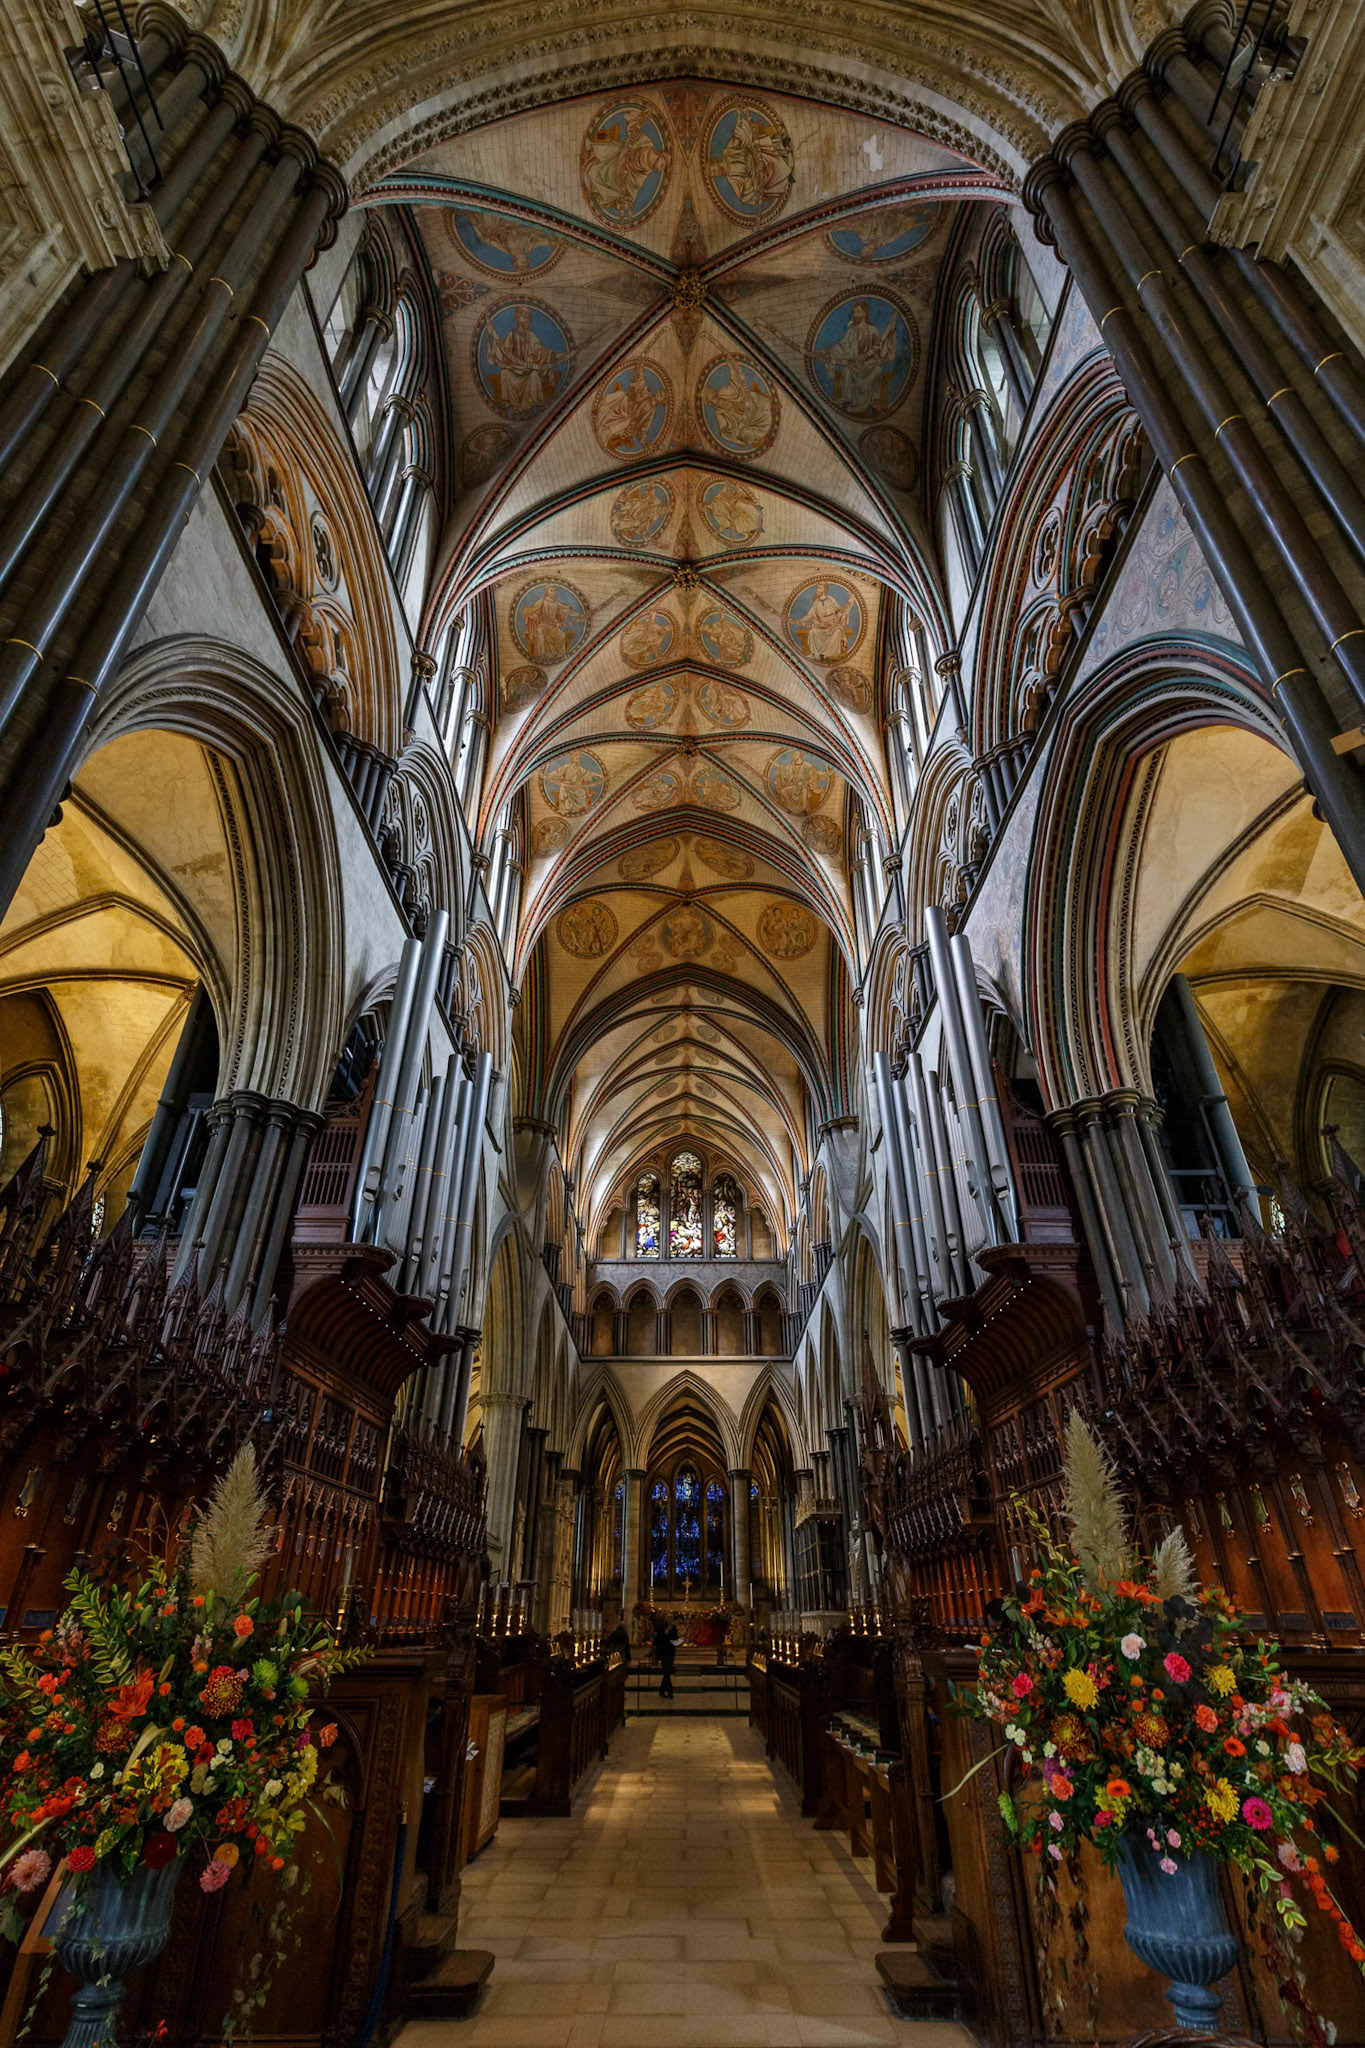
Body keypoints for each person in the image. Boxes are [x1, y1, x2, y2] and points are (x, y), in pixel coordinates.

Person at [654, 1618, 678, 1700]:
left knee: (667, 1672)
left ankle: (662, 1690)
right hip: (664, 1652)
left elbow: (675, 1639)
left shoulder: (674, 1629)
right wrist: (665, 1635)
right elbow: (658, 1640)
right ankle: (670, 1691)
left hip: (670, 1653)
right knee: (666, 1672)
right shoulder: (661, 1628)